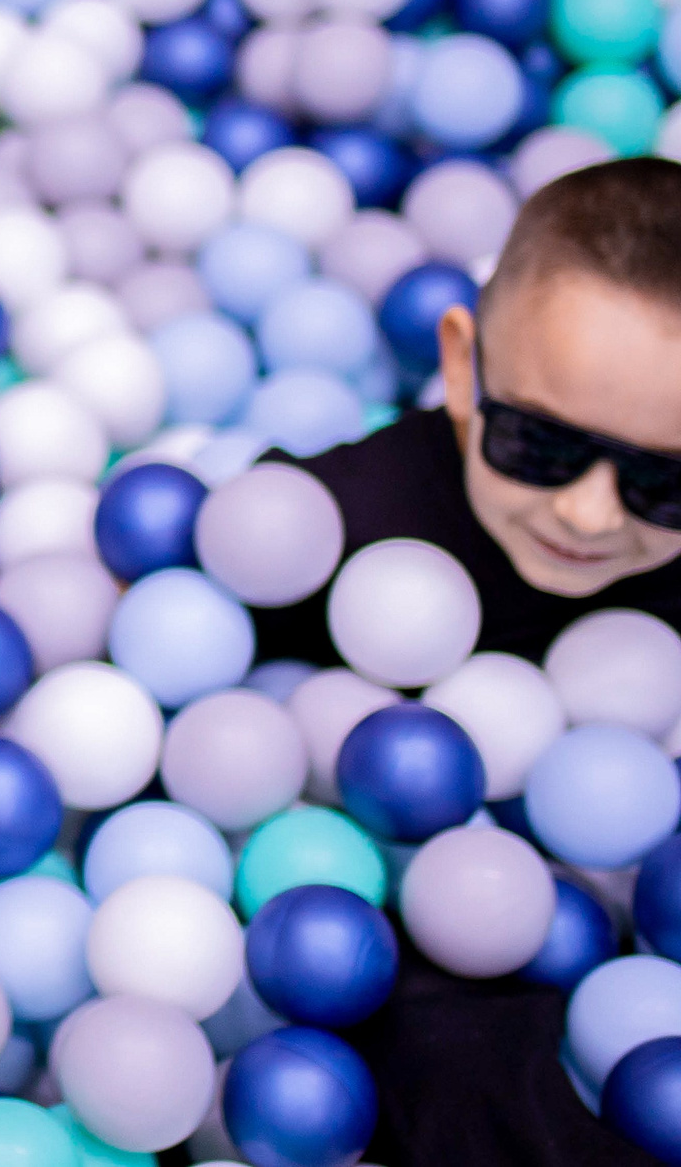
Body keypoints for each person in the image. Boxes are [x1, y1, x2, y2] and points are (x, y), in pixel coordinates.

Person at [251, 155, 681, 1167]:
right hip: (403, 911)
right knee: (448, 1044)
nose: (587, 511)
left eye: (663, 483)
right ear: (461, 367)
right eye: (538, 444)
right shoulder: (352, 525)